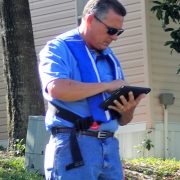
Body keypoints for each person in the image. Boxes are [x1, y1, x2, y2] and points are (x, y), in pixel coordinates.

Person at [39, 0, 145, 179]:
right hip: (74, 147)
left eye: (119, 32)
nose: (115, 37)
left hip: (109, 146)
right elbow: (56, 88)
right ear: (89, 19)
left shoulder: (110, 57)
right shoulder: (58, 48)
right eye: (111, 30)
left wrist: (128, 110)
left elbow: (123, 121)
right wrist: (107, 86)